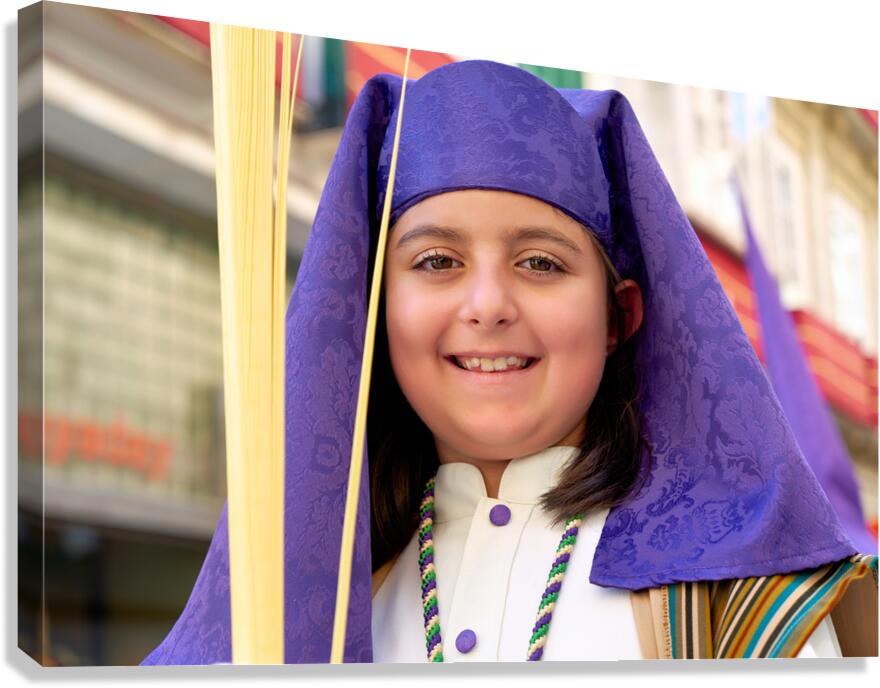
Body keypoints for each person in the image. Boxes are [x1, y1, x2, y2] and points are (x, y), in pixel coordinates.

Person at [142, 59, 877, 665]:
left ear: (619, 315)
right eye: (436, 261)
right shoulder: (312, 607)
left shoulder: (738, 606)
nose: (488, 304)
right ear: (371, 311)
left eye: (539, 263)